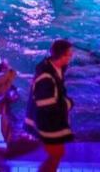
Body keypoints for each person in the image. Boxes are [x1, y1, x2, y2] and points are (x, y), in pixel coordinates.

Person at [25, 39, 75, 172]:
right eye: (70, 54)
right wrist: (68, 104)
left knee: (56, 154)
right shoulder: (46, 77)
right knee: (56, 154)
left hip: (46, 121)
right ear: (62, 56)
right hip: (46, 123)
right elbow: (47, 106)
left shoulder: (55, 68)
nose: (71, 57)